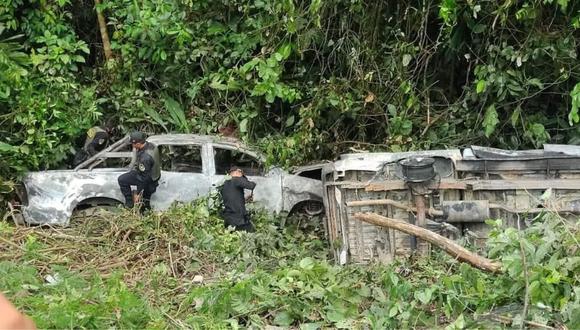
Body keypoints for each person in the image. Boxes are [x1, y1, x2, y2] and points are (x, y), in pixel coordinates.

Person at [117, 131, 160, 212]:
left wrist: (138, 193)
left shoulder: (145, 158)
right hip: (154, 175)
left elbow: (144, 178)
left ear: (138, 143)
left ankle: (130, 204)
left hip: (149, 180)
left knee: (122, 180)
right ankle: (144, 210)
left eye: (133, 144)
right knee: (145, 201)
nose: (132, 146)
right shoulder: (151, 145)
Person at [220, 165, 257, 232]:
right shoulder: (236, 179)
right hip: (238, 219)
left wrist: (245, 199)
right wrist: (244, 177)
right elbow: (251, 185)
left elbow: (232, 199)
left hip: (229, 218)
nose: (241, 176)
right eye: (241, 173)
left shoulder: (225, 184)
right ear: (237, 172)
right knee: (252, 233)